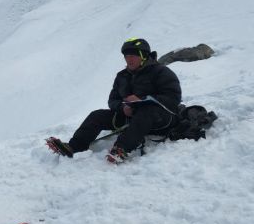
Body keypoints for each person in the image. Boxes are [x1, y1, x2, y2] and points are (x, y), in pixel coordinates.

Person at [47, 38, 182, 163]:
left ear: (144, 56)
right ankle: (73, 147)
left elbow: (173, 97)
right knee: (97, 115)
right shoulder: (122, 76)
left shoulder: (161, 72)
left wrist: (143, 100)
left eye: (133, 55)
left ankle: (121, 149)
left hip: (160, 119)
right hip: (130, 117)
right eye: (126, 56)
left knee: (146, 111)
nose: (129, 59)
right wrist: (122, 108)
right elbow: (113, 100)